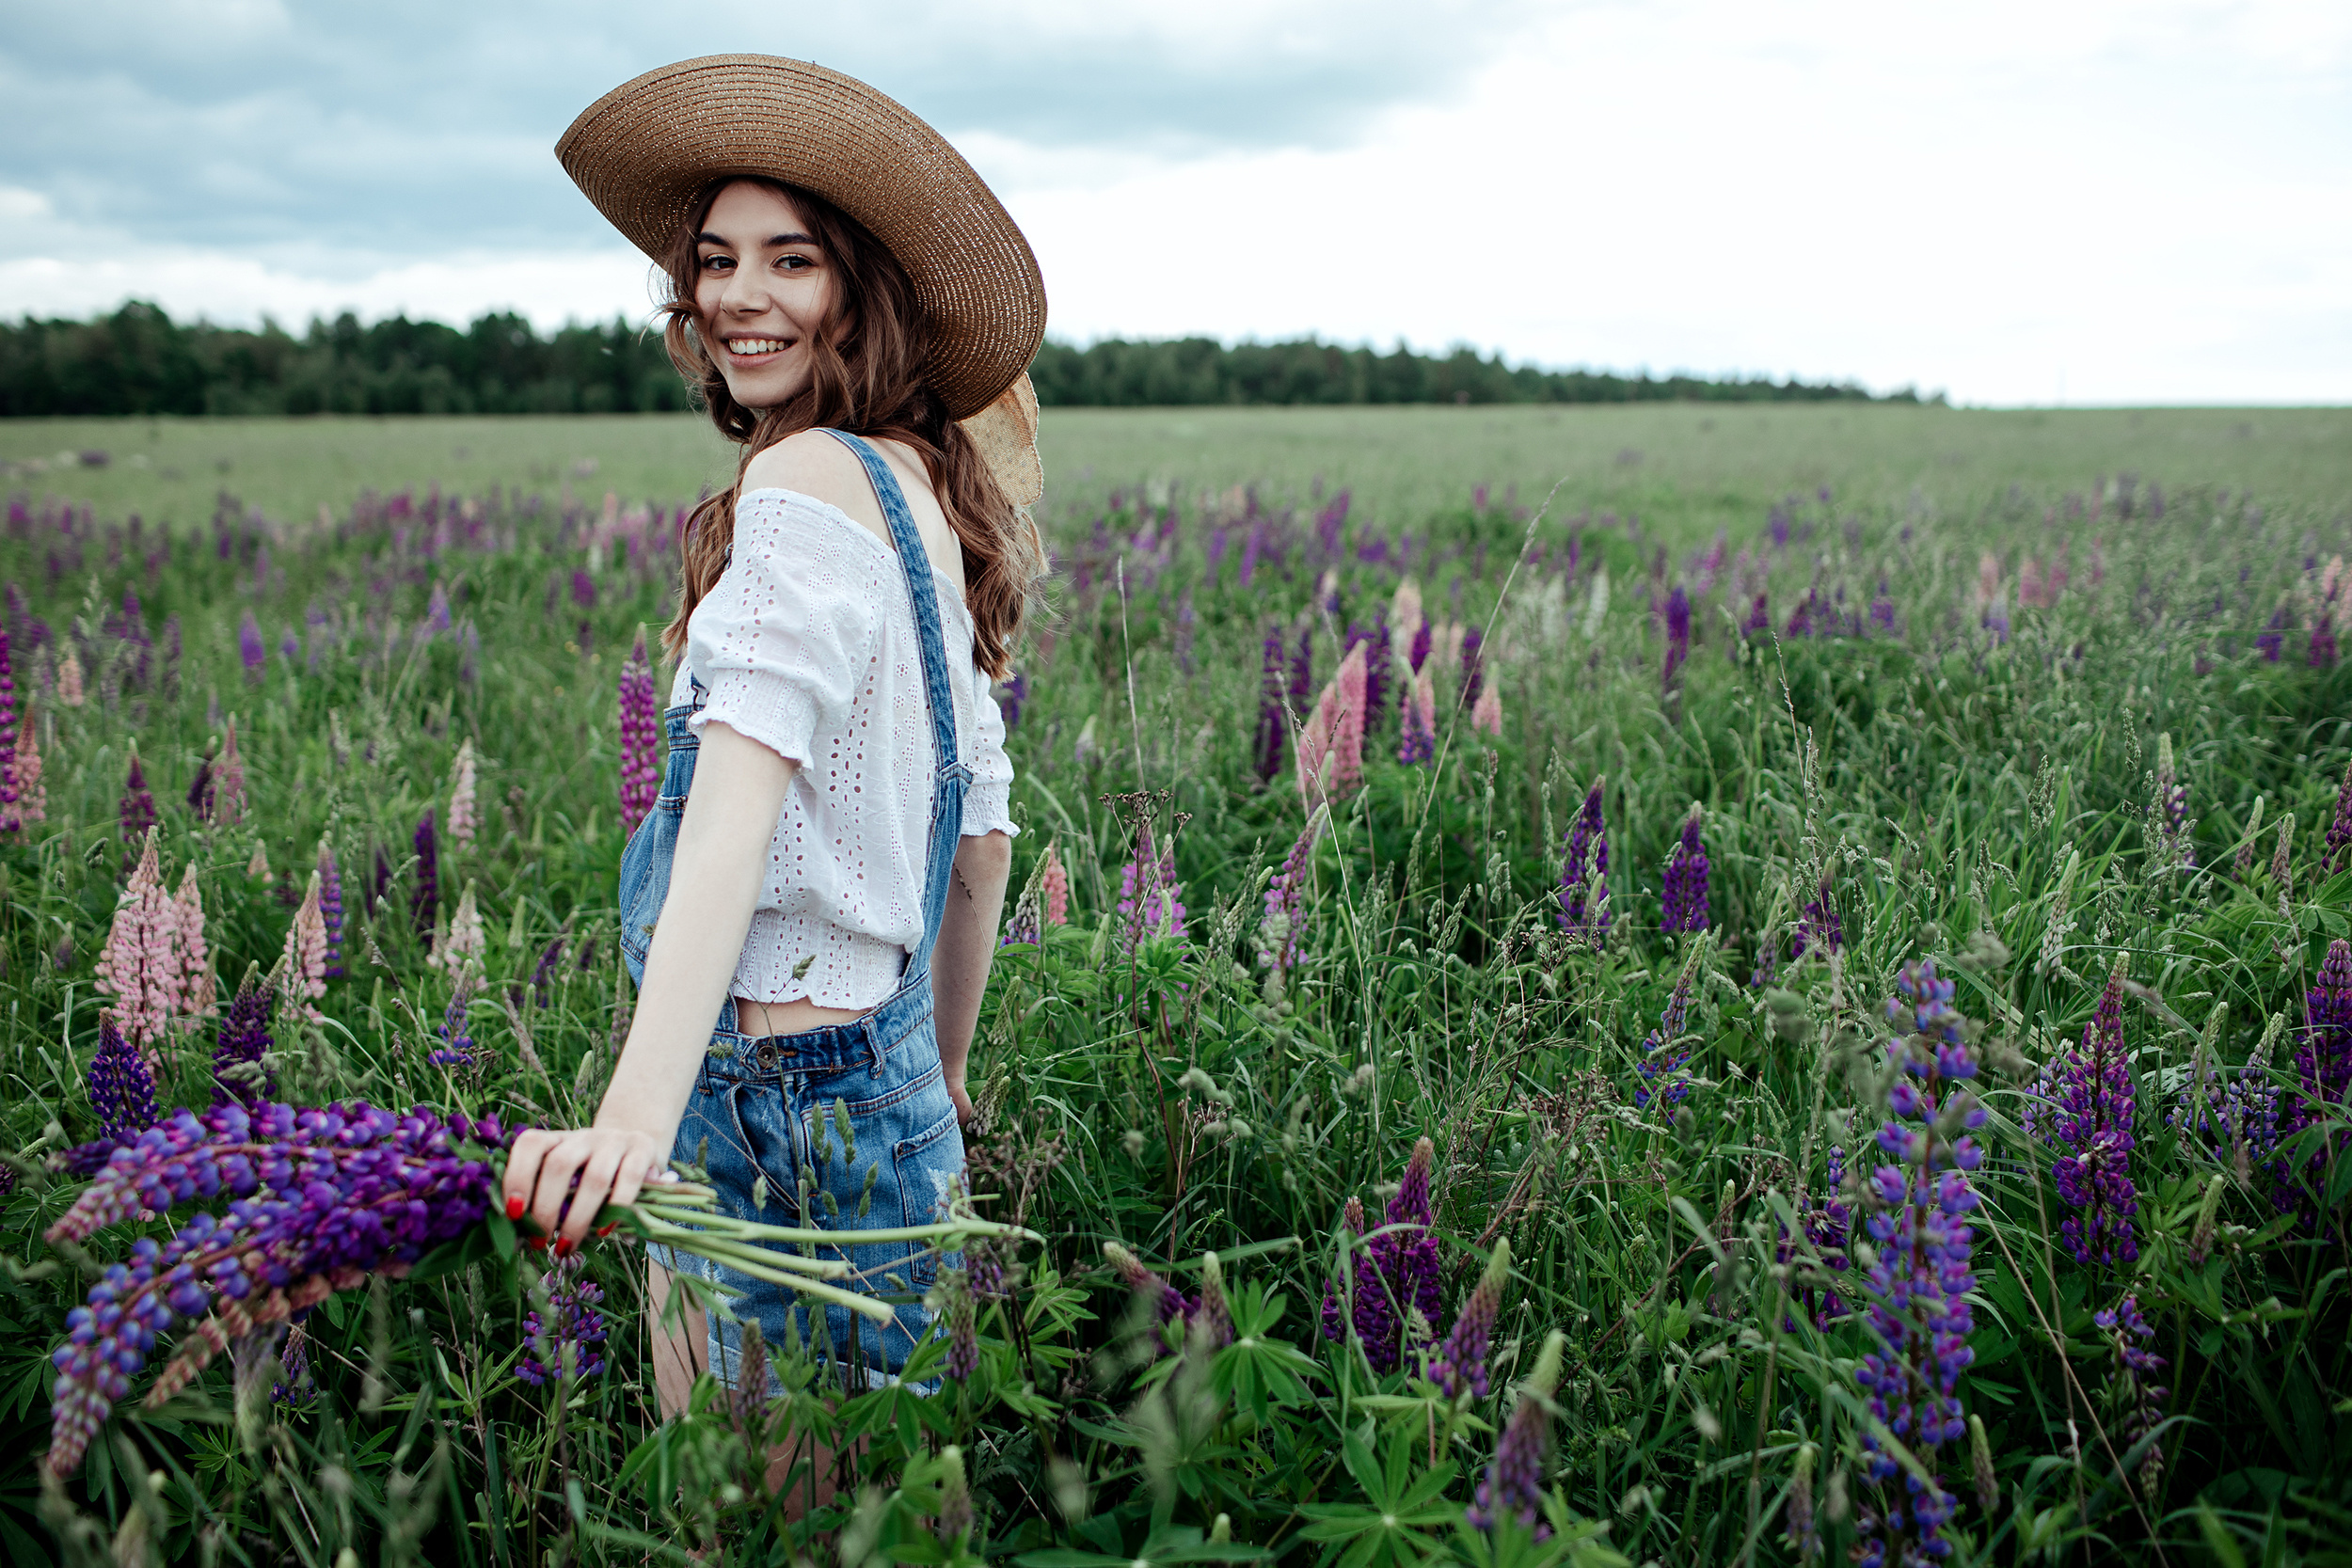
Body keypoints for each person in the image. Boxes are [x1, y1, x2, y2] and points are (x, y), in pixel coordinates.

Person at [500, 55, 1047, 1446]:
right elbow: (982, 847)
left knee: (731, 1510)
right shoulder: (925, 498)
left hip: (763, 1098)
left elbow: (732, 820)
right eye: (715, 259)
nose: (736, 296)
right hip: (892, 1085)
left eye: (790, 260)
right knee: (899, 1507)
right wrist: (938, 1079)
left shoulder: (802, 481)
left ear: (868, 293)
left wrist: (635, 1119)